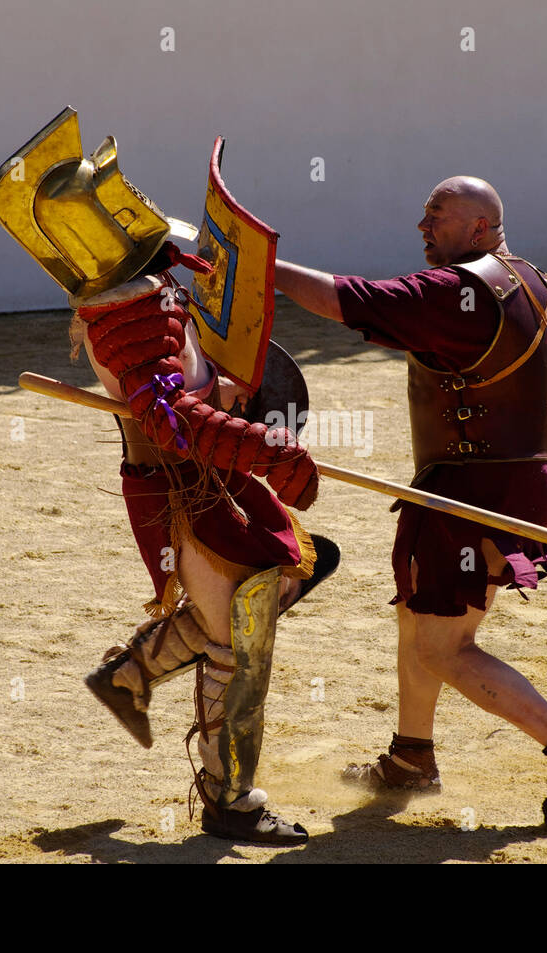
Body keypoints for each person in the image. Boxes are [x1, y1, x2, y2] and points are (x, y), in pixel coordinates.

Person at [274, 176, 547, 825]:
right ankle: (411, 756)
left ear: (479, 228)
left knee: (445, 646)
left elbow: (349, 298)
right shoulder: (543, 290)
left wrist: (264, 268)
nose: (423, 226)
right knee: (417, 613)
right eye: (424, 214)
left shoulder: (454, 293)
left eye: (437, 216)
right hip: (503, 480)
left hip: (476, 488)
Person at [70, 241, 326, 845]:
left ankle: (132, 673)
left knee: (288, 577)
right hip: (183, 491)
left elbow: (190, 390)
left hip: (209, 477)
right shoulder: (129, 312)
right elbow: (173, 420)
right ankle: (229, 800)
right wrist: (268, 449)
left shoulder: (151, 299)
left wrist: (230, 393)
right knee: (239, 642)